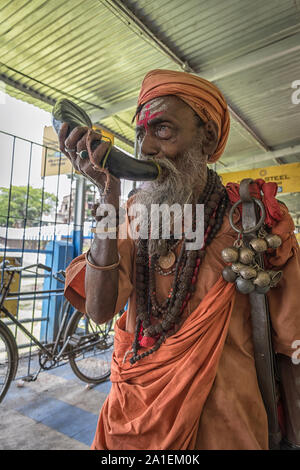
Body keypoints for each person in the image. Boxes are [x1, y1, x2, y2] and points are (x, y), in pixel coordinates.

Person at [59, 69, 300, 450]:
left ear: (207, 138)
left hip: (226, 429)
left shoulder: (252, 220)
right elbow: (101, 309)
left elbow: (291, 346)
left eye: (163, 130)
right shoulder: (135, 213)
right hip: (131, 423)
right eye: (141, 134)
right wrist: (108, 197)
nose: (146, 149)